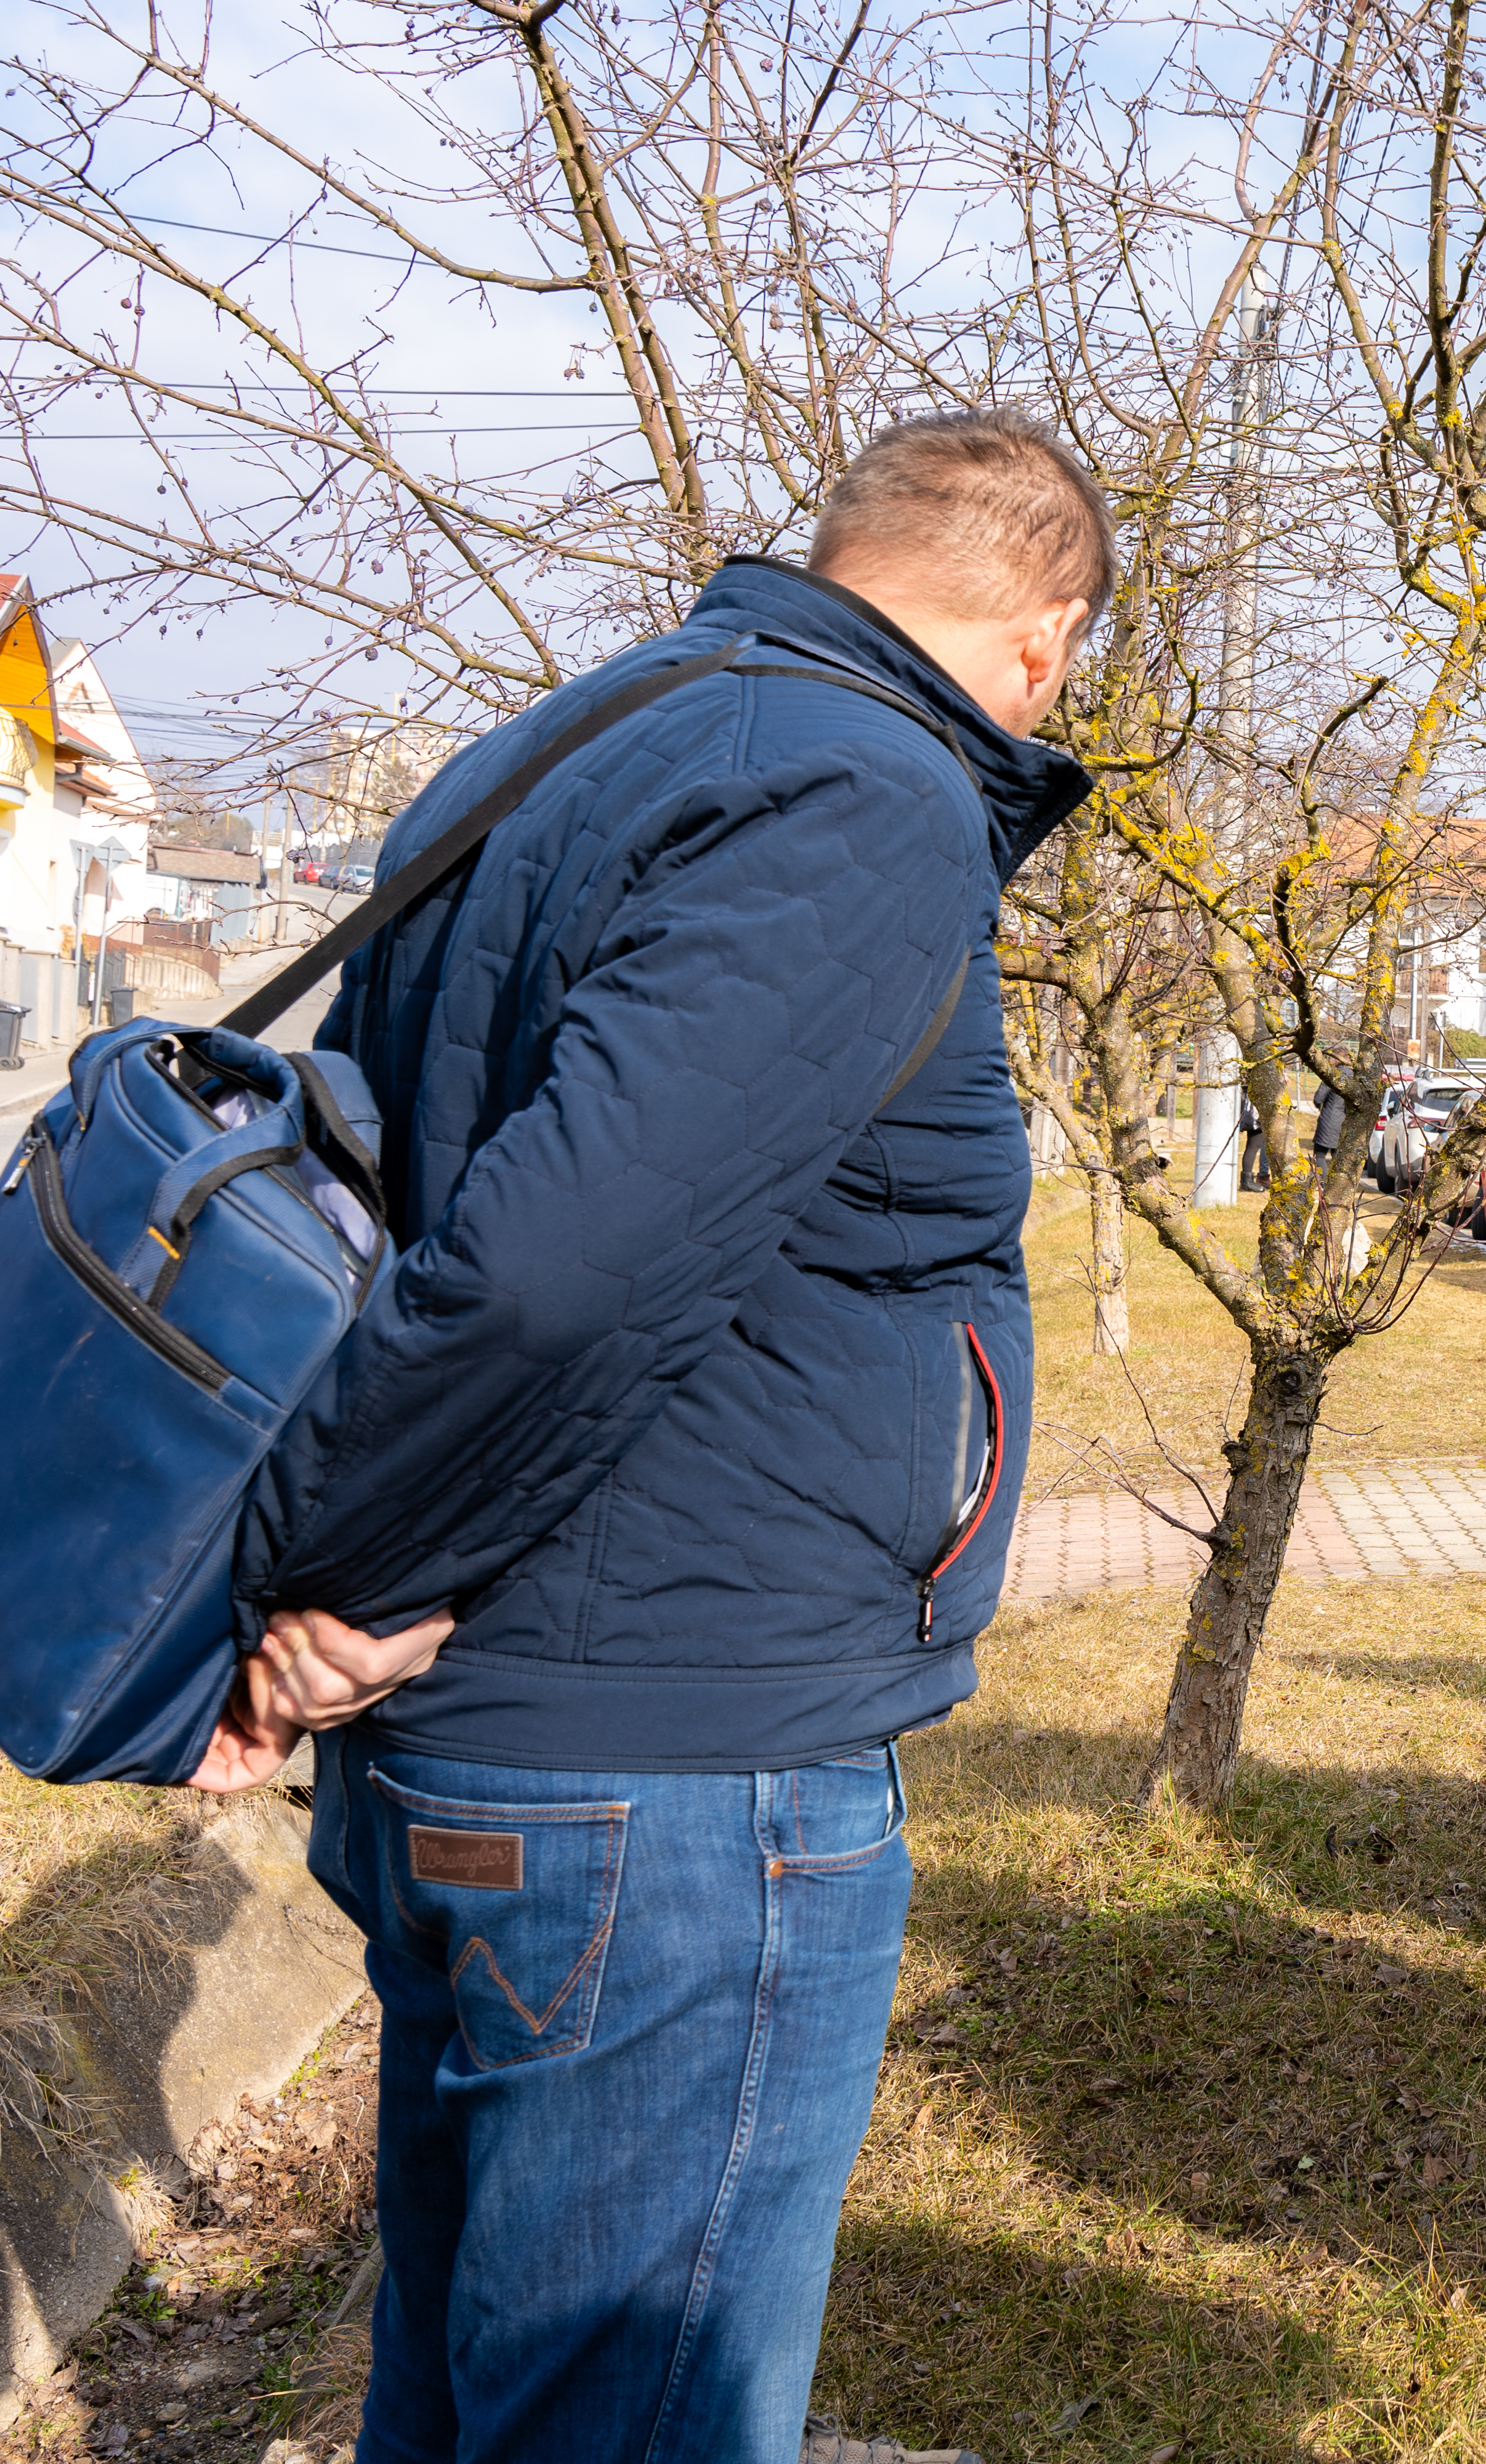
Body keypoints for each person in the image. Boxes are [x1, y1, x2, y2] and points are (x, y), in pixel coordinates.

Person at [213, 410, 1104, 2462]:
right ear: (1046, 642)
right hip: (671, 1773)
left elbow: (389, 1198)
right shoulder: (865, 796)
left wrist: (343, 1581)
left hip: (512, 1757)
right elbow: (558, 1266)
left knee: (464, 2407)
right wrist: (345, 1571)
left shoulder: (578, 739)